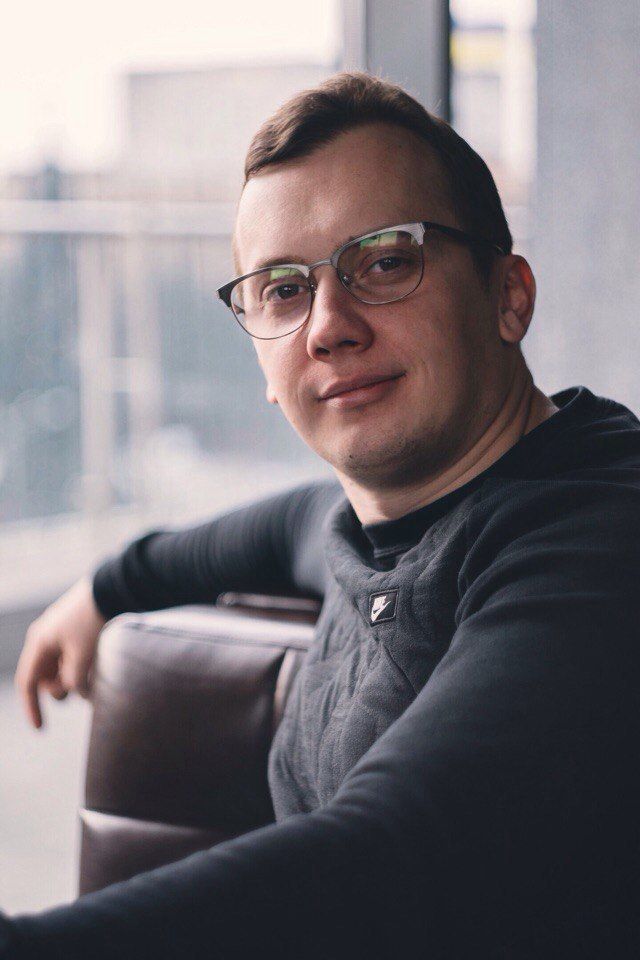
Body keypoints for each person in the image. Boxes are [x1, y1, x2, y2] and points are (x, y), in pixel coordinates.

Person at [2, 71, 640, 957]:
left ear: (509, 296)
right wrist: (104, 588)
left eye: (384, 262)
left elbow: (392, 852)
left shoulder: (598, 537)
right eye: (282, 289)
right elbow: (278, 528)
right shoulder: (370, 521)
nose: (328, 325)